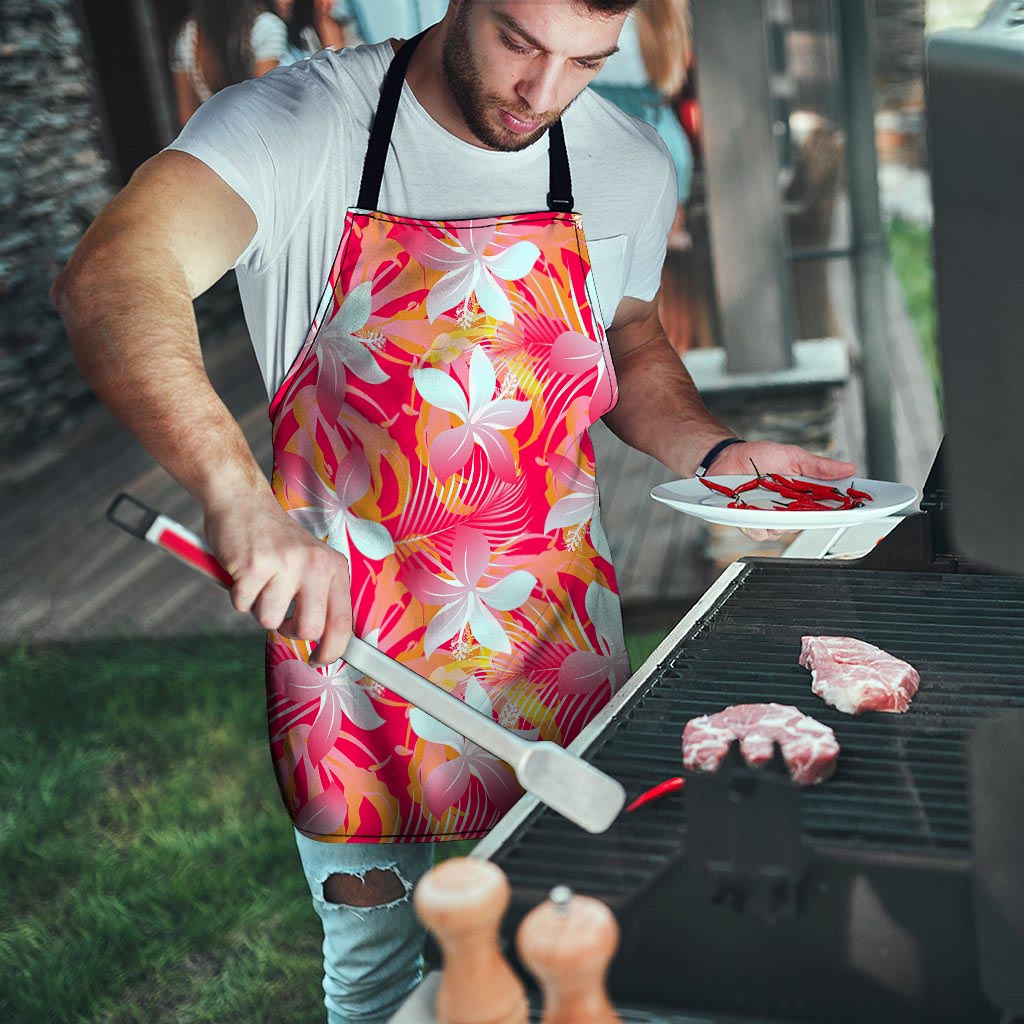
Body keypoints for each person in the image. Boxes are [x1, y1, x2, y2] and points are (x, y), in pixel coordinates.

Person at [53, 2, 855, 1020]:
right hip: (355, 673)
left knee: (580, 958)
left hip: (559, 655)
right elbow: (112, 275)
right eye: (521, 42)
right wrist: (236, 497)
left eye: (585, 62)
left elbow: (630, 334)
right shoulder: (299, 126)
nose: (543, 92)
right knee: (383, 981)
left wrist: (718, 449)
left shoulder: (624, 161)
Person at [171, 0, 289, 126]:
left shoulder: (187, 35)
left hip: (215, 137)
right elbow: (266, 104)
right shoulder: (265, 27)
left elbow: (187, 117)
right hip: (263, 135)